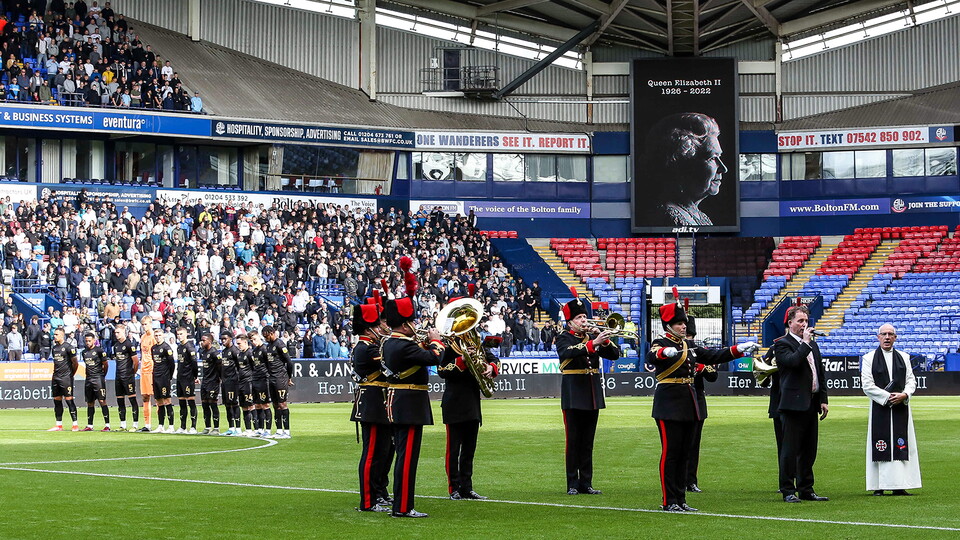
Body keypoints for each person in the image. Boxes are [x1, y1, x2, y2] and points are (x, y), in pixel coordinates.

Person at [648, 290, 755, 512]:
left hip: (688, 405)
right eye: (679, 323)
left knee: (684, 454)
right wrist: (665, 352)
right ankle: (669, 500)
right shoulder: (660, 342)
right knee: (671, 454)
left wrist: (737, 350)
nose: (683, 326)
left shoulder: (688, 346)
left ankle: (681, 499)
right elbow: (653, 354)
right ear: (668, 325)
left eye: (684, 323)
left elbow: (713, 355)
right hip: (669, 405)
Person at [380, 261, 445, 518]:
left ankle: (401, 504)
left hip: (400, 402)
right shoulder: (404, 344)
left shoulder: (392, 342)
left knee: (403, 456)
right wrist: (436, 340)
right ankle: (403, 506)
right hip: (409, 404)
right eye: (412, 322)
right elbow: (434, 357)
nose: (415, 325)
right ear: (405, 324)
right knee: (407, 458)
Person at [555, 288, 619, 496]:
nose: (584, 320)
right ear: (570, 322)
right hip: (574, 392)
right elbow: (567, 353)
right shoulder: (563, 337)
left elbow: (614, 354)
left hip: (592, 393)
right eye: (579, 317)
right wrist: (593, 343)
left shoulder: (592, 336)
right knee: (573, 441)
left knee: (588, 442)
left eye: (584, 316)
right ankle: (572, 483)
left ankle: (586, 482)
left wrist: (604, 339)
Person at [438, 313, 500, 500]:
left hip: (472, 402)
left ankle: (467, 487)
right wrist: (462, 361)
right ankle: (454, 488)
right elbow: (442, 370)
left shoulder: (476, 343)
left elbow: (493, 359)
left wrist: (491, 367)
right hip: (454, 402)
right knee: (453, 450)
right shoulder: (449, 345)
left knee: (469, 450)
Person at [773, 305, 829, 503]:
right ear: (790, 323)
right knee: (790, 450)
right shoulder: (782, 344)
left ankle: (806, 488)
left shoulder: (813, 345)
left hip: (811, 403)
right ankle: (788, 490)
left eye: (806, 321)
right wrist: (805, 343)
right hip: (792, 405)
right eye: (800, 321)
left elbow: (819, 373)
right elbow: (792, 362)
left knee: (809, 449)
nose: (804, 325)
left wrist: (823, 399)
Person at [861, 323, 921, 496]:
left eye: (890, 334)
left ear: (895, 337)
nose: (887, 337)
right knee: (880, 444)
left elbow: (911, 380)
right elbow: (867, 385)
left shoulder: (904, 357)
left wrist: (904, 394)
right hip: (880, 407)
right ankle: (878, 486)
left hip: (901, 406)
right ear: (878, 337)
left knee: (901, 444)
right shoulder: (869, 358)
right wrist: (887, 397)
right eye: (883, 334)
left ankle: (899, 485)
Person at [641, 112, 728, 227]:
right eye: (711, 158)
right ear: (682, 163)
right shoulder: (669, 217)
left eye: (719, 157)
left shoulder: (698, 215)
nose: (724, 168)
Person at [350, 300, 393, 513]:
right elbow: (390, 363)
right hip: (372, 405)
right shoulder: (366, 348)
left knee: (383, 453)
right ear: (368, 329)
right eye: (377, 326)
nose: (381, 328)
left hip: (379, 404)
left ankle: (378, 492)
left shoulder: (371, 346)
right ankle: (368, 501)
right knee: (372, 454)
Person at [684, 315, 718, 493]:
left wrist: (702, 368)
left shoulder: (699, 352)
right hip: (680, 399)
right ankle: (679, 479)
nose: (688, 339)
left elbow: (713, 376)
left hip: (697, 400)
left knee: (694, 444)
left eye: (689, 336)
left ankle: (691, 480)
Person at [262, 325, 294, 439]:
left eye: (266, 336)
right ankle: (279, 430)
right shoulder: (268, 346)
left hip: (280, 378)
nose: (265, 339)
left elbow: (289, 362)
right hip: (271, 378)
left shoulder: (280, 344)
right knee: (275, 405)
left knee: (282, 404)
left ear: (271, 333)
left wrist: (289, 377)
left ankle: (287, 431)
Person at [47, 327, 80, 431]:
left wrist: (70, 375)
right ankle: (58, 425)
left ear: (62, 335)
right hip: (56, 377)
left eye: (56, 334)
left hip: (66, 378)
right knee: (57, 401)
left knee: (69, 400)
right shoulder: (54, 348)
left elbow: (75, 363)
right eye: (54, 334)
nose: (54, 336)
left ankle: (75, 424)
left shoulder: (69, 348)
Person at [112, 325, 140, 431]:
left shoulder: (129, 344)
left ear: (124, 332)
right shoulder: (115, 346)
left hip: (128, 376)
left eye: (118, 332)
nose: (116, 334)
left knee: (132, 399)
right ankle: (122, 425)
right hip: (118, 376)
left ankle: (135, 425)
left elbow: (136, 361)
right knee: (120, 401)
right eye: (115, 332)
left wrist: (132, 372)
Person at [80, 332, 111, 431]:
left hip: (98, 379)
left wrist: (102, 376)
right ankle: (90, 425)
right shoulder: (84, 352)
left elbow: (105, 364)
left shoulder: (99, 351)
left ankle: (107, 425)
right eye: (86, 341)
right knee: (90, 402)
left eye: (89, 341)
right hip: (88, 379)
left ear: (94, 340)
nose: (88, 343)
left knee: (102, 401)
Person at [175, 327, 199, 434]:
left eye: (181, 334)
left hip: (188, 378)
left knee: (191, 401)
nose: (179, 336)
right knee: (181, 402)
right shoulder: (179, 347)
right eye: (178, 334)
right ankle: (183, 427)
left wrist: (195, 376)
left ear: (186, 334)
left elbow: (194, 363)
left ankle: (193, 427)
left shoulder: (190, 347)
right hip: (180, 377)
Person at [152, 332, 176, 433]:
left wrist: (169, 376)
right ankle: (160, 426)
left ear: (163, 336)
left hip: (164, 378)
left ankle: (171, 426)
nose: (157, 337)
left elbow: (172, 364)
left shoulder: (166, 348)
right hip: (155, 377)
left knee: (167, 401)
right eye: (156, 335)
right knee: (159, 402)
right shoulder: (153, 348)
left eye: (159, 335)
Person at [199, 332, 222, 435]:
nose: (202, 342)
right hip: (205, 381)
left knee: (213, 404)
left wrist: (219, 378)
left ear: (209, 341)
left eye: (204, 340)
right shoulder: (203, 352)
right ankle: (207, 427)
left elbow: (220, 366)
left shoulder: (214, 353)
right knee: (205, 405)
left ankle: (216, 428)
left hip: (213, 382)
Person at [249, 331, 272, 436]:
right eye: (251, 340)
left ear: (259, 337)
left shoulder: (264, 349)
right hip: (255, 379)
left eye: (254, 339)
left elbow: (269, 364)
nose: (253, 342)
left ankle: (268, 430)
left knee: (265, 404)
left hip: (263, 379)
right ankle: (260, 429)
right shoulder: (254, 351)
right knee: (257, 405)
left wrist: (267, 376)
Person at [220, 332, 242, 436]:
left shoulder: (235, 351)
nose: (223, 341)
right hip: (225, 382)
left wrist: (237, 379)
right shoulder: (224, 351)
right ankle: (231, 427)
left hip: (233, 382)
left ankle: (238, 428)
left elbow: (239, 366)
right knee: (227, 405)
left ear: (230, 339)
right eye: (222, 339)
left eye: (225, 339)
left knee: (234, 404)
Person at [138, 317, 157, 432]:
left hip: (152, 369)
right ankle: (147, 424)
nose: (144, 326)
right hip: (144, 370)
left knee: (157, 397)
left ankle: (160, 424)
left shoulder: (154, 337)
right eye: (143, 324)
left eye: (146, 324)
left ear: (150, 324)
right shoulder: (143, 337)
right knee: (145, 396)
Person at [236, 334, 256, 436]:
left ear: (245, 342)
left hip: (249, 382)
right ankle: (248, 429)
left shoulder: (250, 353)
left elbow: (254, 367)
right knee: (244, 406)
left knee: (251, 405)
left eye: (239, 343)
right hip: (241, 382)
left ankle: (256, 429)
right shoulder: (240, 354)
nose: (238, 345)